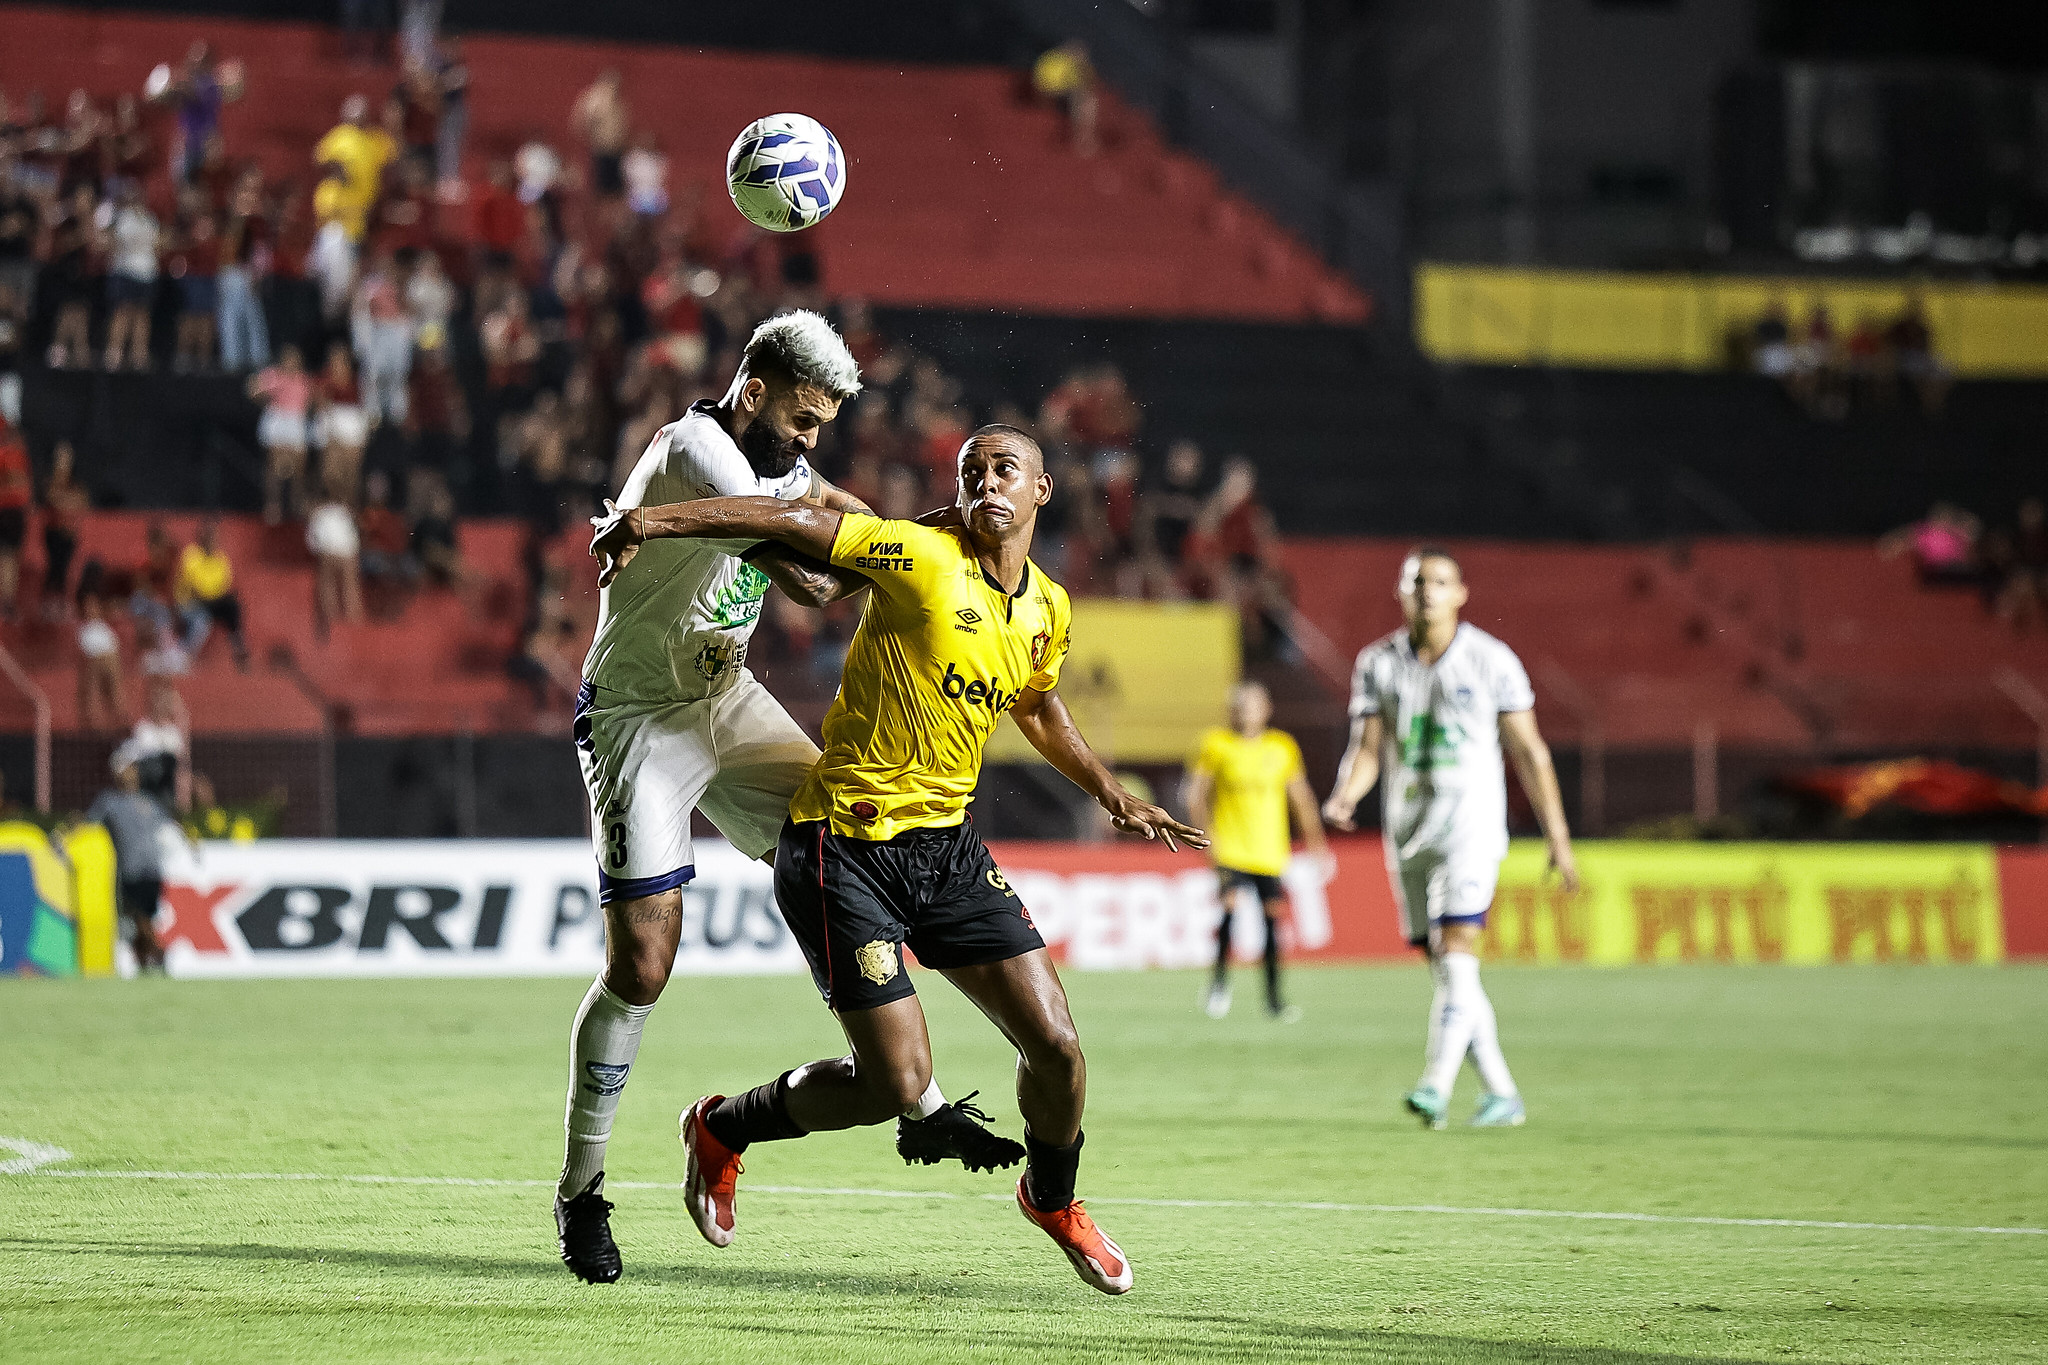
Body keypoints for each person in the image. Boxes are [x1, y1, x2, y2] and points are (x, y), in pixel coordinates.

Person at [588, 424, 1206, 1298]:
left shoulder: (1049, 608)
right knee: (897, 1083)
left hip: (946, 851)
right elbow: (786, 520)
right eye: (971, 469)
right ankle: (723, 1127)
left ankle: (1052, 1198)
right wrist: (651, 522)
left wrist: (1110, 791)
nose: (986, 481)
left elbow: (1038, 706)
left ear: (1043, 490)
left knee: (1059, 1046)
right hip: (843, 850)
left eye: (1006, 469)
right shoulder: (915, 553)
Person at [552, 312, 1002, 1286]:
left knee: (853, 849)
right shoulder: (696, 450)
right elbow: (802, 577)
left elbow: (827, 500)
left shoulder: (776, 459)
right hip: (639, 718)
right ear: (753, 389)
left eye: (819, 427)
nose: (807, 441)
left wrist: (902, 529)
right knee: (641, 963)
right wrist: (896, 552)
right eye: (800, 419)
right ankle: (582, 1190)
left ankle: (857, 1084)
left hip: (725, 701)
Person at [1322, 547, 1577, 1131]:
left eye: (1439, 582)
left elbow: (1530, 753)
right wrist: (1345, 795)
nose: (1427, 592)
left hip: (1472, 829)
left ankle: (1434, 1085)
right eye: (1417, 582)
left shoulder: (1491, 661)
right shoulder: (1378, 663)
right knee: (1447, 969)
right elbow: (1367, 747)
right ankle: (1503, 1094)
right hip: (1409, 833)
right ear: (1401, 593)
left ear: (1461, 594)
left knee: (1458, 954)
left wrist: (1557, 837)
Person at [1186, 680, 1330, 1023]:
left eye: (1251, 706)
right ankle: (1219, 986)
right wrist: (1207, 839)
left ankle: (1274, 999)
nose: (1244, 712)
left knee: (1271, 923)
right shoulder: (1216, 744)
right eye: (1239, 706)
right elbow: (1195, 795)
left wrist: (1316, 843)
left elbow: (1301, 799)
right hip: (1231, 850)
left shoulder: (1281, 748)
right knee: (1229, 913)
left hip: (1269, 851)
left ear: (1266, 710)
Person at [87, 752, 180, 972]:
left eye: (132, 769)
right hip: (129, 870)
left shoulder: (150, 800)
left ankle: (145, 962)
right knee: (137, 917)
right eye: (125, 769)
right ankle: (158, 951)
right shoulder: (109, 802)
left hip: (152, 869)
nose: (130, 774)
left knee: (144, 917)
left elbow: (168, 826)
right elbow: (89, 824)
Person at [250, 345, 314, 523]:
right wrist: (266, 396)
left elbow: (311, 403)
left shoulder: (304, 380)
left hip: (296, 422)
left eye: (294, 360)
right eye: (287, 359)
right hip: (277, 420)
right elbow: (252, 390)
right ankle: (273, 504)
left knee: (299, 468)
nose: (290, 363)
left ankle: (296, 503)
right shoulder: (272, 375)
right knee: (275, 466)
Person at [175, 516, 248, 669]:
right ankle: (184, 655)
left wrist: (220, 597)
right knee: (202, 621)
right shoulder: (191, 555)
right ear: (201, 536)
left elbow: (224, 586)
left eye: (214, 536)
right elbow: (195, 589)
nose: (211, 539)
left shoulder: (221, 558)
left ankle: (238, 645)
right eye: (208, 535)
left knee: (232, 606)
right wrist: (216, 596)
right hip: (190, 603)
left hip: (211, 602)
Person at [102, 181, 159, 371]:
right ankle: (114, 352)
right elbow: (113, 243)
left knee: (142, 314)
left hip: (146, 272)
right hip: (125, 271)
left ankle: (139, 353)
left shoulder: (151, 219)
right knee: (122, 312)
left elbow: (156, 244)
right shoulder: (121, 218)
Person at [42, 440, 87, 616]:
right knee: (53, 567)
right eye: (60, 456)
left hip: (69, 534)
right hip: (53, 533)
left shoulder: (75, 481)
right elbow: (53, 499)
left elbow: (81, 502)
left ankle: (61, 600)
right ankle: (48, 601)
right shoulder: (51, 478)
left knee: (64, 569)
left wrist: (66, 503)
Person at [571, 69, 630, 199]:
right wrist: (590, 137)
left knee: (615, 187)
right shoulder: (595, 99)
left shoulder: (618, 101)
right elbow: (584, 121)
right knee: (602, 185)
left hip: (616, 147)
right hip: (601, 146)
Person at [77, 592, 125, 731]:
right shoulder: (83, 629)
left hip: (110, 660)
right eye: (88, 607)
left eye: (93, 606)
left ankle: (119, 716)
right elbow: (85, 650)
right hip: (94, 662)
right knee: (94, 683)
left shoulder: (105, 627)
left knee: (115, 684)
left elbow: (114, 646)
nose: (91, 610)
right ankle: (94, 720)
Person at [0, 414, 29, 614]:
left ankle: (6, 601)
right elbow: (16, 478)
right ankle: (5, 601)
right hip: (9, 508)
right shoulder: (10, 453)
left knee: (10, 555)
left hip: (12, 509)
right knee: (8, 555)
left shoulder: (16, 452)